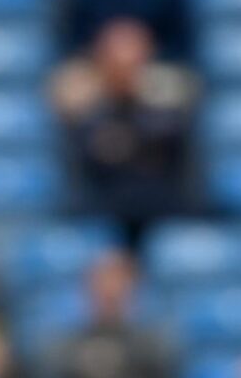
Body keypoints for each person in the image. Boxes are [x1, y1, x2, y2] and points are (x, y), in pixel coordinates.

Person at [51, 20, 195, 249]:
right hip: (100, 213)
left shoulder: (166, 105)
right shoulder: (85, 110)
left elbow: (171, 151)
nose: (125, 69)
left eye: (133, 60)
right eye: (117, 61)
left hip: (160, 210)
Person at [47, 251, 176, 378]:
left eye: (120, 283)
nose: (110, 290)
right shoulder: (64, 348)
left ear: (134, 289)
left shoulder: (154, 347)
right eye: (101, 283)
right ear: (86, 289)